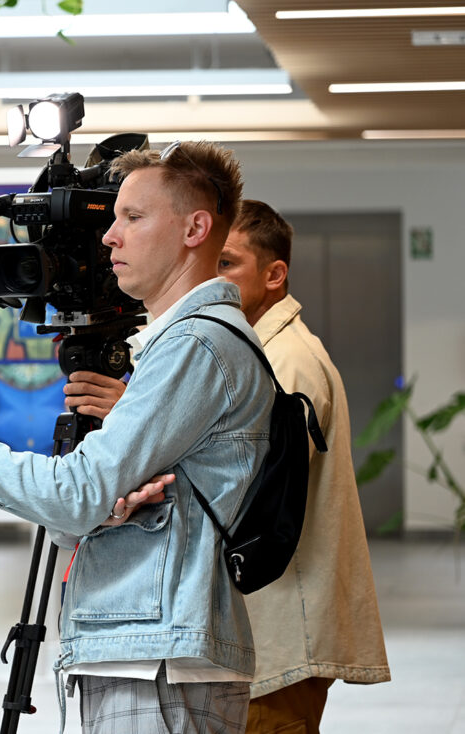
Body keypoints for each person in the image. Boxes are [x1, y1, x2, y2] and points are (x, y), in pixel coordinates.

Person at [0, 141, 274, 733]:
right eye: (113, 218)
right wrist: (108, 504)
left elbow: (73, 495)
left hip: (161, 661)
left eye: (133, 217)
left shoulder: (196, 344)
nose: (109, 238)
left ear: (195, 229)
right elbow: (81, 510)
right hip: (148, 650)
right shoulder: (185, 342)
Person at [217, 200, 390, 732]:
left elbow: (253, 485)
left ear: (274, 275)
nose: (211, 277)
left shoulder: (286, 360)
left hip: (282, 634)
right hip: (267, 628)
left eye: (226, 263)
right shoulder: (256, 350)